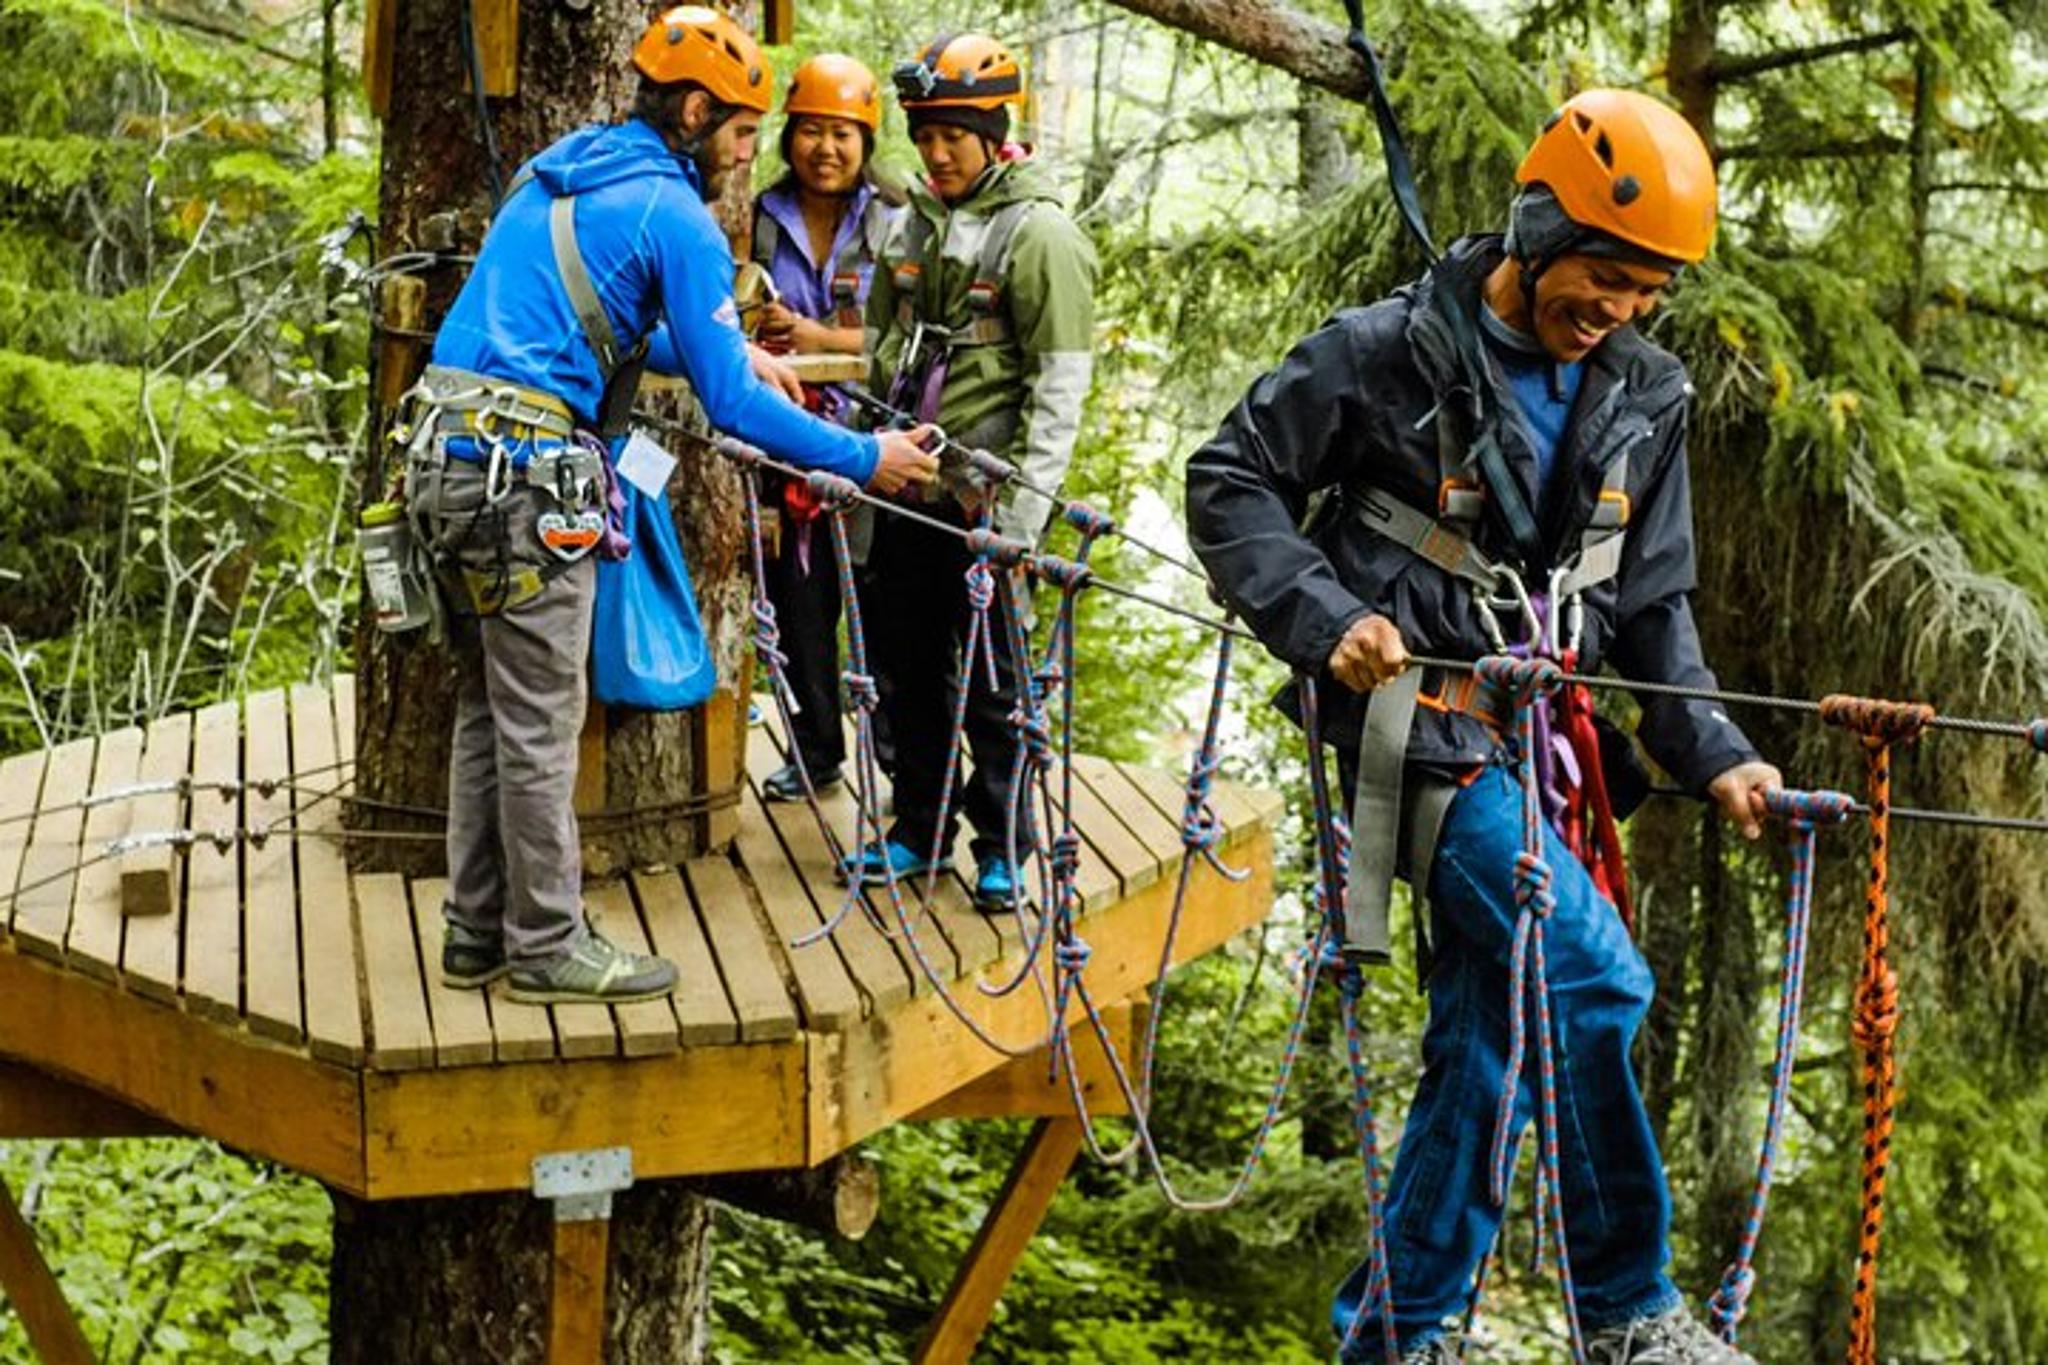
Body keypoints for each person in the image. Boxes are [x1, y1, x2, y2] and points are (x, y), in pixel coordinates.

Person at [1185, 90, 1782, 1364]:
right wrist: (1322, 613)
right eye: (1601, 275)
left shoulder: (1643, 395)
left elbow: (1650, 606)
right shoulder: (1382, 352)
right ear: (1535, 226)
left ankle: (1397, 1339)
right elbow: (1228, 478)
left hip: (1535, 742)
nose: (1613, 309)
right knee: (1591, 974)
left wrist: (1719, 755)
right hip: (1413, 733)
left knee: (1489, 1034)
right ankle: (1626, 1311)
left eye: (1642, 291)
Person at [408, 5, 937, 1006]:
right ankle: (546, 945)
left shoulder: (557, 171)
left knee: (489, 706)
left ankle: (477, 930)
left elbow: (591, 324)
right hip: (522, 474)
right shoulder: (676, 216)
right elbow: (729, 406)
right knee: (540, 721)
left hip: (442, 452)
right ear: (694, 109)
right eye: (741, 130)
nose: (747, 154)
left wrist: (741, 353)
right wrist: (864, 456)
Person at [841, 31, 1098, 910]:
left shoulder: (1041, 235)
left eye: (953, 133)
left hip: (985, 502)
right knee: (910, 670)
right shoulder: (915, 221)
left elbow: (1060, 386)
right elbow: (879, 347)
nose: (937, 152)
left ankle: (1003, 846)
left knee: (994, 683)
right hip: (906, 483)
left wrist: (1021, 525)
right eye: (924, 132)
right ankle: (917, 826)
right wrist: (865, 460)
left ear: (994, 132)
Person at [748, 53, 902, 803]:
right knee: (799, 601)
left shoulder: (897, 222)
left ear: (866, 140)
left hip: (877, 441)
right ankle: (815, 748)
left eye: (842, 133)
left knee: (880, 597)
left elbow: (904, 340)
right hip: (784, 441)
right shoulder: (755, 218)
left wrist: (813, 332)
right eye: (810, 131)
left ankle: (897, 746)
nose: (825, 149)